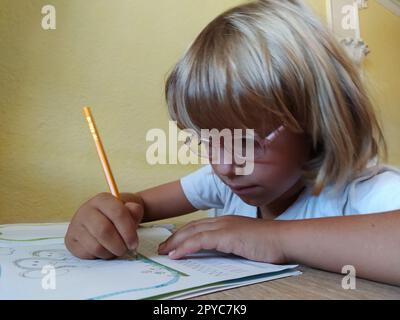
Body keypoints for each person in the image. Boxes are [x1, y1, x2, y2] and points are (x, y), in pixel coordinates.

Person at [65, 0, 400, 285]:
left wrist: (272, 238)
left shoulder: (361, 191)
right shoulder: (222, 183)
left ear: (319, 122)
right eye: (211, 140)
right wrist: (104, 217)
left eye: (250, 141)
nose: (225, 165)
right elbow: (137, 205)